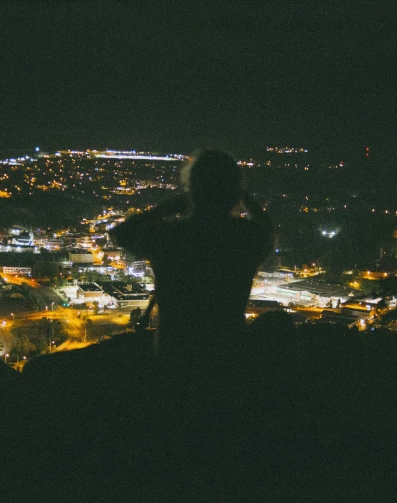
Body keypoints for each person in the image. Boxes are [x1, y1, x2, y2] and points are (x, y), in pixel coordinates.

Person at [111, 150, 274, 355]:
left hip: (175, 352)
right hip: (227, 352)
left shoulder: (170, 235)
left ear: (193, 190)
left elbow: (121, 234)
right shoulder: (245, 236)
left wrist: (167, 208)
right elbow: (267, 232)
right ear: (234, 193)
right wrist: (245, 198)